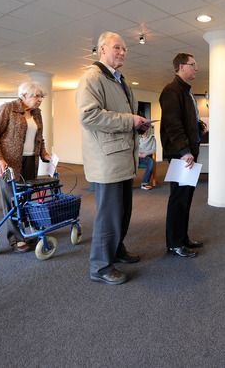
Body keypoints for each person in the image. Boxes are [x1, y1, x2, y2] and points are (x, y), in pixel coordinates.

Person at [76, 31, 150, 285]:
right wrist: (130, 120)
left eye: (125, 49)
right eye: (117, 48)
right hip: (107, 160)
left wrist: (137, 125)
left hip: (122, 158)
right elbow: (89, 116)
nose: (122, 52)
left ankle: (116, 250)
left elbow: (122, 117)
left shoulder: (121, 80)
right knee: (108, 215)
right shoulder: (92, 78)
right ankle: (100, 266)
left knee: (123, 211)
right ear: (102, 49)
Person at [0, 81, 50, 253]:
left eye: (41, 96)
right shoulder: (7, 108)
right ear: (23, 96)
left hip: (30, 162)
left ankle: (27, 231)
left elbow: (39, 138)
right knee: (12, 199)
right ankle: (16, 238)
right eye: (36, 96)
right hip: (7, 165)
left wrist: (43, 152)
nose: (39, 100)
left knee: (26, 199)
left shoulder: (37, 113)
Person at [159, 52, 208, 258]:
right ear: (181, 66)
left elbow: (186, 120)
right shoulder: (171, 91)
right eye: (192, 64)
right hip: (181, 155)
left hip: (188, 153)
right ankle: (174, 243)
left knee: (186, 198)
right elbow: (173, 124)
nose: (196, 68)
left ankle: (182, 237)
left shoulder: (186, 91)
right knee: (178, 199)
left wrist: (198, 126)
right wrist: (185, 151)